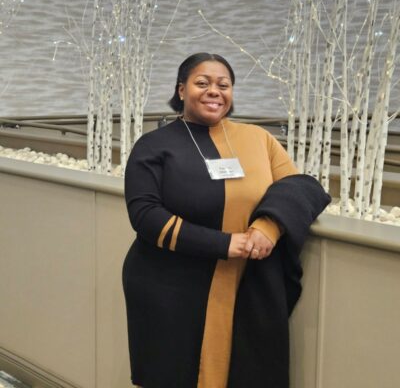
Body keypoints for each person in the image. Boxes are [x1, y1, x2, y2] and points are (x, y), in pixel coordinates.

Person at [122, 52, 330, 388]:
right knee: (174, 375)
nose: (214, 91)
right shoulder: (153, 146)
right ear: (181, 90)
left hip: (244, 282)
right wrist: (225, 243)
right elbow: (145, 216)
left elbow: (300, 186)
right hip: (169, 285)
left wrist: (268, 227)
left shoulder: (256, 138)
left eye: (223, 84)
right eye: (201, 83)